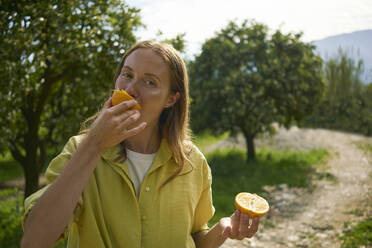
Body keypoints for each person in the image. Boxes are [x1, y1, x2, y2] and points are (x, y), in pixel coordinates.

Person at [21, 40, 260, 248]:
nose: (130, 89)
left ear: (171, 99)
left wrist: (222, 229)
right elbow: (34, 241)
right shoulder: (80, 150)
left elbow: (195, 240)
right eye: (127, 74)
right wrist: (94, 145)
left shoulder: (192, 162)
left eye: (150, 82)